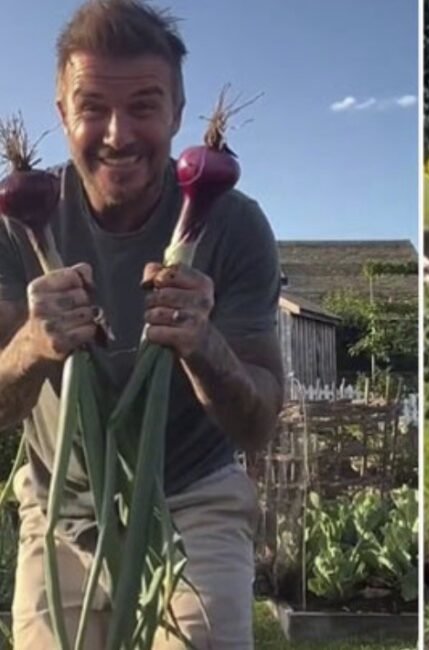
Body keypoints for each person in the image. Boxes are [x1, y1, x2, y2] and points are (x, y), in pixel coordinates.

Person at [0, 1, 283, 647]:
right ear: (62, 114)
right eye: (92, 106)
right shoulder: (16, 225)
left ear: (177, 114)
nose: (118, 133)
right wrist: (33, 345)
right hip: (63, 511)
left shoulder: (235, 226)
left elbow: (259, 421)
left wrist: (203, 344)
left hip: (193, 498)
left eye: (144, 106)